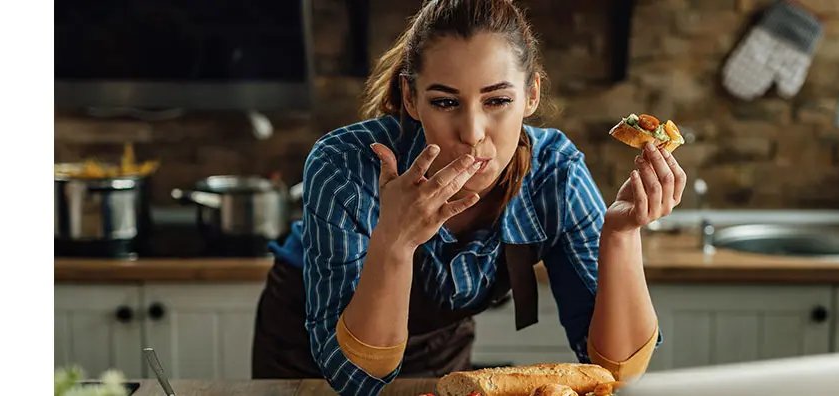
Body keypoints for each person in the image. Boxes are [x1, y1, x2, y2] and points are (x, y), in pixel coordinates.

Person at [252, 1, 687, 394]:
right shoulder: (343, 164)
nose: (473, 133)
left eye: (497, 100)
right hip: (308, 357)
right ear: (410, 98)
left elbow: (613, 372)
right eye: (445, 103)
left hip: (441, 350)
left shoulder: (556, 173)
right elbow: (353, 379)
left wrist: (621, 235)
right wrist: (394, 243)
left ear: (531, 95)